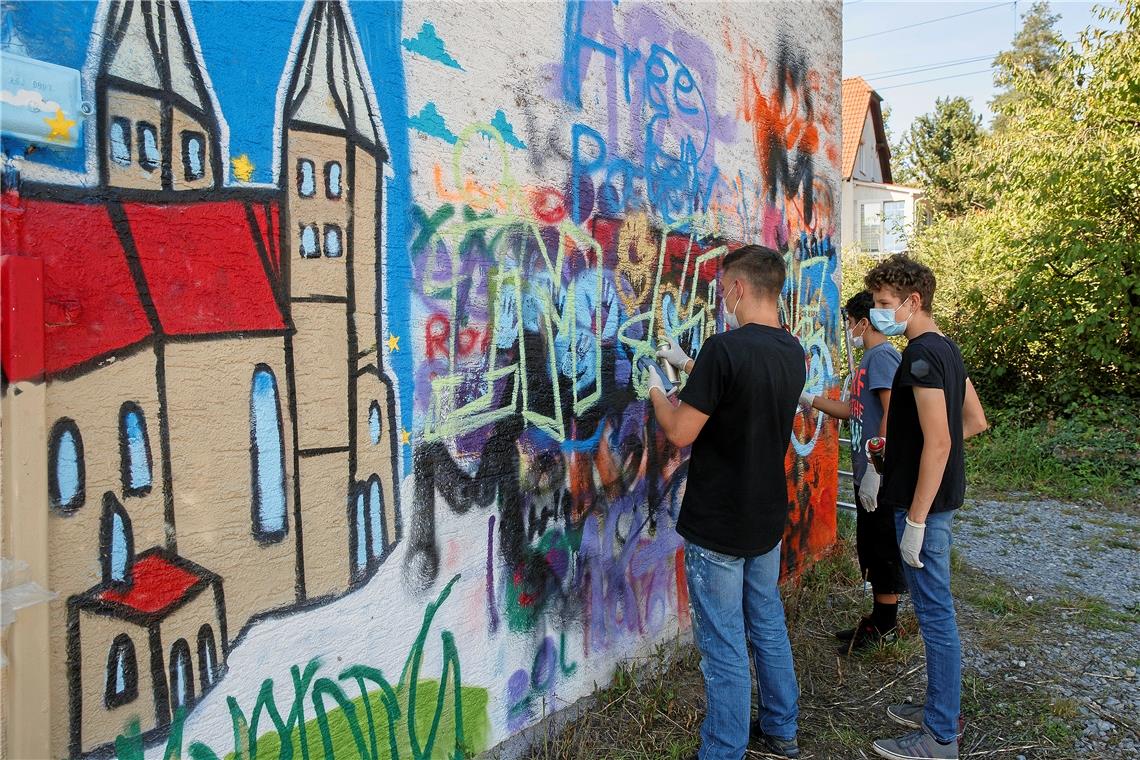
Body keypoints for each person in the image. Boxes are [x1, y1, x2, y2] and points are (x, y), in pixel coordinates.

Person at [647, 244, 805, 760]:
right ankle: (782, 728)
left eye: (721, 291)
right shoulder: (791, 350)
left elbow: (679, 430)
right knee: (766, 621)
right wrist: (691, 365)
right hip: (765, 519)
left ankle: (724, 750)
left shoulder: (724, 348)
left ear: (737, 287)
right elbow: (743, 389)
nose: (721, 301)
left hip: (719, 523)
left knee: (723, 646)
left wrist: (655, 388)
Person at [861, 255, 988, 760]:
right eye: (874, 305)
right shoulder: (945, 350)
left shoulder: (918, 357)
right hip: (932, 502)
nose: (878, 314)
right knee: (937, 612)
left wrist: (915, 517)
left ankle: (939, 737)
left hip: (923, 511)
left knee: (935, 616)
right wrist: (890, 460)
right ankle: (941, 707)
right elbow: (973, 420)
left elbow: (939, 442)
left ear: (914, 302)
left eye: (886, 304)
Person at [800, 290, 905, 655]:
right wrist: (810, 400)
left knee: (883, 549)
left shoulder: (883, 357)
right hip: (867, 472)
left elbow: (895, 411)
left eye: (849, 322)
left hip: (880, 474)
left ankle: (886, 627)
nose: (848, 329)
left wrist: (878, 467)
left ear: (863, 321)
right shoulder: (869, 360)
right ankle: (878, 619)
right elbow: (853, 410)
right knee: (872, 549)